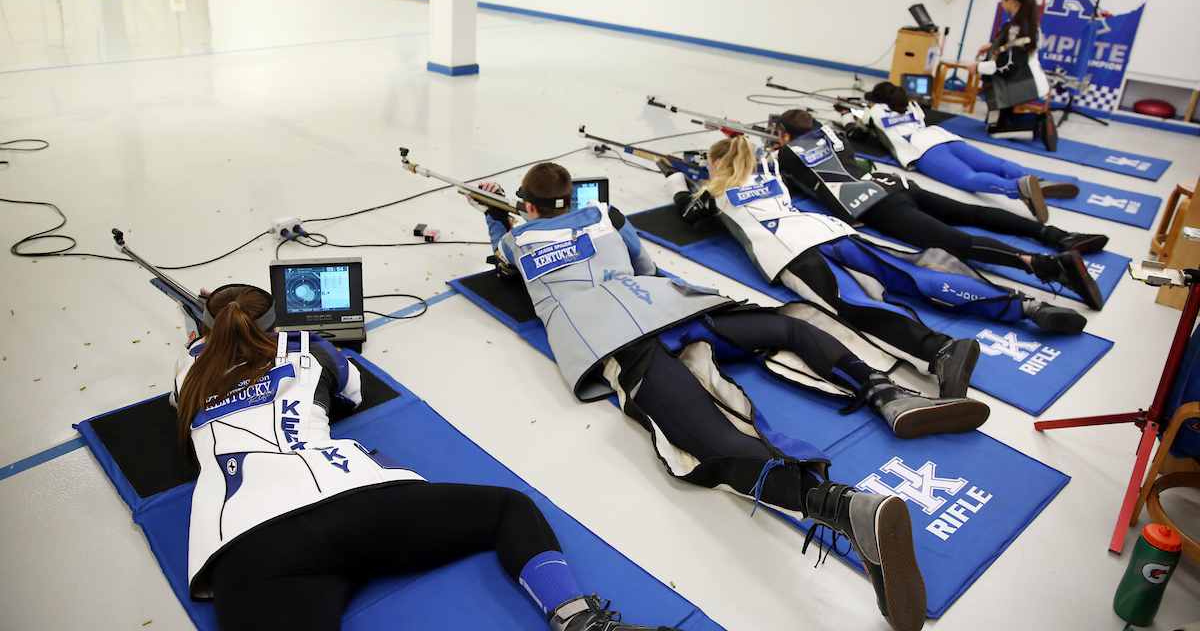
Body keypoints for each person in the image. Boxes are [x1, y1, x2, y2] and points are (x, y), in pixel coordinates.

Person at [477, 163, 931, 631]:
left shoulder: (517, 238)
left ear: (527, 206)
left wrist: (493, 213)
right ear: (572, 199)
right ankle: (887, 392)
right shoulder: (605, 213)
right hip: (671, 305)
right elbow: (647, 267)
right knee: (787, 325)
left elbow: (504, 260)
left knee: (703, 435)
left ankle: (840, 507)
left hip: (618, 342)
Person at [172, 283, 678, 631]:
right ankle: (577, 617)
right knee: (507, 507)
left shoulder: (187, 373)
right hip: (356, 501)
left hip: (246, 542)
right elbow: (349, 394)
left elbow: (186, 397)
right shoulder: (310, 345)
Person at [667, 136, 1091, 364]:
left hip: (791, 254)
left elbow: (687, 212)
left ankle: (938, 351)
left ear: (716, 166)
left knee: (857, 304)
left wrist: (674, 179)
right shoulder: (772, 174)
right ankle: (1026, 307)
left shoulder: (714, 192)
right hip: (831, 230)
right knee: (911, 272)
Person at [772, 108, 1105, 310]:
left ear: (785, 135)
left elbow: (775, 174)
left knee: (955, 241)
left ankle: (1047, 265)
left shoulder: (785, 156)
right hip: (896, 184)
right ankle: (1059, 236)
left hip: (874, 204)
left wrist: (776, 151)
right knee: (971, 213)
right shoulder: (834, 134)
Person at [862, 80, 1073, 224]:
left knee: (968, 178)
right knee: (996, 163)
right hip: (945, 137)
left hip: (923, 149)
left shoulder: (876, 111)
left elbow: (858, 126)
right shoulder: (912, 105)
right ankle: (1033, 180)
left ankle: (1016, 189)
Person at [967, 0, 1055, 146]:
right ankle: (1038, 120)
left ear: (1012, 1)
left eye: (1003, 0)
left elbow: (1008, 65)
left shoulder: (1016, 28)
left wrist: (978, 68)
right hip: (1027, 80)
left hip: (1018, 82)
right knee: (996, 122)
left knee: (993, 130)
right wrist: (994, 46)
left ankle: (1038, 126)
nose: (1002, 4)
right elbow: (1018, 50)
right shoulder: (1029, 24)